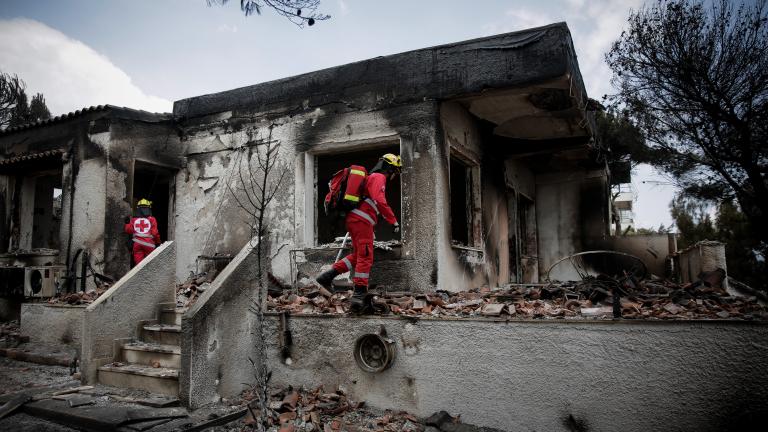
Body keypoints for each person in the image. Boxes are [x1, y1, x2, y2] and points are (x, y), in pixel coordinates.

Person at [315, 153, 401, 308]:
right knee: (366, 256)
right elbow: (380, 200)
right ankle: (359, 295)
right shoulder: (378, 177)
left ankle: (327, 276)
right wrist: (393, 221)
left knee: (358, 255)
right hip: (362, 221)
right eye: (394, 171)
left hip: (355, 220)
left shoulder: (371, 178)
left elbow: (373, 200)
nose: (393, 175)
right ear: (390, 168)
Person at [124, 198, 161, 266]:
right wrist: (158, 243)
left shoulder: (134, 219)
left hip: (137, 244)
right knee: (150, 265)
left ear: (138, 208)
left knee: (139, 266)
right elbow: (155, 233)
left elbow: (129, 230)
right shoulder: (152, 219)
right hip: (149, 244)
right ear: (149, 208)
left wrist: (127, 223)